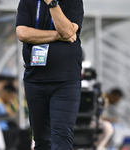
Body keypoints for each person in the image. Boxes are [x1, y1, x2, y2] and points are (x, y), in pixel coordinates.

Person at [16, 0, 84, 149]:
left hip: (65, 81)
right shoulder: (28, 1)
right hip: (35, 80)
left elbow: (67, 31)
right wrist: (58, 35)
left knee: (61, 138)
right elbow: (22, 33)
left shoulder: (74, 2)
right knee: (41, 139)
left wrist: (52, 3)